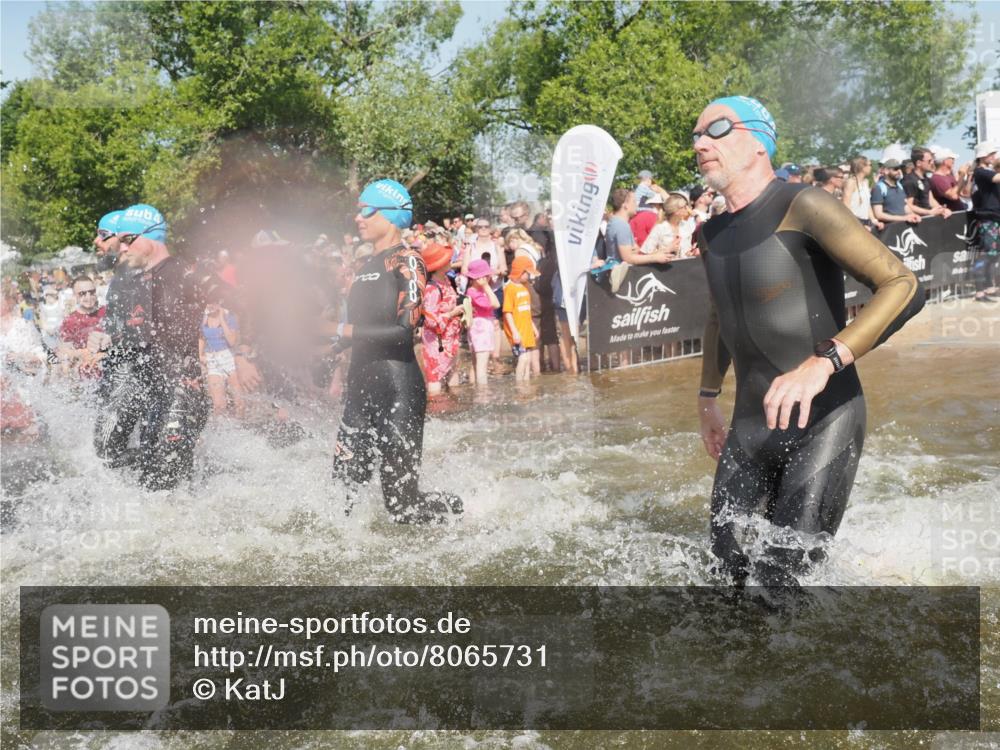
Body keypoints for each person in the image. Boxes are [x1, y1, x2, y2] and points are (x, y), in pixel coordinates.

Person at [692, 95, 924, 585]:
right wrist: (706, 398)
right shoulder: (710, 233)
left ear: (758, 142)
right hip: (749, 429)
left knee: (782, 590)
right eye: (695, 135)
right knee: (721, 583)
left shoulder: (804, 204)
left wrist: (824, 362)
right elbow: (719, 315)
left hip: (825, 421)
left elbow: (903, 286)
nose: (699, 143)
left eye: (714, 130)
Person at [331, 179, 462, 523]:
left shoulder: (409, 261)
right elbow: (361, 330)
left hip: (398, 390)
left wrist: (343, 330)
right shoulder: (364, 268)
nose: (358, 218)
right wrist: (329, 350)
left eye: (366, 210)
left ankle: (459, 513)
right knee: (342, 497)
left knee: (401, 505)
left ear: (390, 215)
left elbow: (404, 331)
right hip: (359, 391)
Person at [112, 204, 212, 490]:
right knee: (155, 487)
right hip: (160, 394)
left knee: (165, 492)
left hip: (180, 393)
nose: (121, 247)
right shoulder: (146, 280)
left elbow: (234, 298)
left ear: (151, 237)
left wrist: (244, 353)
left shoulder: (178, 272)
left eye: (127, 239)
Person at [419, 242, 463, 396]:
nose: (451, 261)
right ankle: (436, 411)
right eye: (447, 260)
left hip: (450, 338)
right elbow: (431, 321)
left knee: (452, 372)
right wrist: (452, 313)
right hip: (436, 342)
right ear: (439, 265)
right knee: (435, 378)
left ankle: (455, 407)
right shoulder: (432, 288)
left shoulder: (445, 281)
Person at [199, 304, 245, 416]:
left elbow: (232, 341)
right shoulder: (203, 316)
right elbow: (200, 336)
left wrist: (221, 318)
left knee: (239, 403)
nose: (211, 304)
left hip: (228, 358)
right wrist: (200, 355)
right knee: (219, 406)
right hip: (212, 361)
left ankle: (240, 428)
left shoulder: (229, 316)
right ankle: (220, 431)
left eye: (215, 300)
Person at [58, 276, 107, 378]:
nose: (88, 297)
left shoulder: (106, 312)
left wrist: (105, 354)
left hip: (110, 370)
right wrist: (82, 353)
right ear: (75, 296)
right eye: (82, 293)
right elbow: (64, 353)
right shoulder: (69, 321)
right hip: (86, 379)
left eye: (91, 292)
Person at [971, 142, 1000, 302]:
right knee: (986, 255)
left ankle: (988, 287)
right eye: (991, 154)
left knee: (993, 255)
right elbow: (996, 177)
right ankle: (979, 291)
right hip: (987, 219)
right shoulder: (980, 172)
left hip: (995, 218)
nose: (994, 157)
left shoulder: (987, 171)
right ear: (983, 156)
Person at [464, 258, 500, 386]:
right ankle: (483, 394)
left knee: (476, 362)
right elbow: (496, 304)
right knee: (482, 363)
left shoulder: (473, 291)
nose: (489, 277)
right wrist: (486, 286)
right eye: (487, 275)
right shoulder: (475, 293)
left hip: (478, 327)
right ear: (479, 278)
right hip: (481, 327)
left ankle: (475, 388)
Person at [503, 256, 538, 381]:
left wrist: (533, 327)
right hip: (517, 332)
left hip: (526, 330)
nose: (529, 276)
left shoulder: (524, 287)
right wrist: (514, 332)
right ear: (520, 272)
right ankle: (519, 386)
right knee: (522, 359)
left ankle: (527, 385)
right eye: (527, 273)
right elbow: (507, 312)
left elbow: (527, 311)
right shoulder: (510, 289)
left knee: (527, 360)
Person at [842, 156, 883, 232]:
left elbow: (867, 205)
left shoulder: (865, 182)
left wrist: (874, 221)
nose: (871, 167)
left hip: (866, 222)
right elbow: (846, 207)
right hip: (853, 222)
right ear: (862, 167)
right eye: (870, 165)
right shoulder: (851, 182)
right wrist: (860, 225)